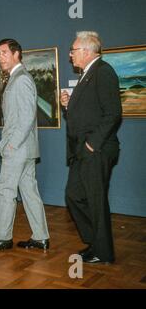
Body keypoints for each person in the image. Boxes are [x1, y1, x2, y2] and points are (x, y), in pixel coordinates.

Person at [0, 38, 50, 252]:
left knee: (4, 190)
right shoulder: (17, 78)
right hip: (25, 148)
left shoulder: (21, 79)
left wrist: (11, 145)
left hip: (18, 148)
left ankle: (2, 237)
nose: (0, 57)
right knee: (29, 191)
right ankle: (40, 237)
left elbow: (28, 116)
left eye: (4, 53)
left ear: (16, 54)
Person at [60, 31, 122, 264]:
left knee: (95, 201)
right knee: (74, 195)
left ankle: (103, 252)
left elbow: (113, 114)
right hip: (82, 151)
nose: (70, 54)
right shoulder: (88, 74)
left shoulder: (103, 72)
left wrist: (91, 144)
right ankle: (95, 242)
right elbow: (89, 114)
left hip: (96, 150)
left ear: (86, 51)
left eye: (73, 50)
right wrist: (68, 106)